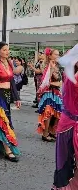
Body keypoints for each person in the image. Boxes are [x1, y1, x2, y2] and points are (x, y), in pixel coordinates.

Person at [52, 44, 78, 189]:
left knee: (65, 166)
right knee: (65, 166)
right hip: (70, 126)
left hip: (67, 123)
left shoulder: (69, 74)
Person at [37, 48, 62, 142]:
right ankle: (45, 133)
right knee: (49, 113)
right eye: (55, 54)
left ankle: (52, 131)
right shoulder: (47, 66)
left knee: (57, 112)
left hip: (56, 92)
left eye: (58, 54)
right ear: (50, 55)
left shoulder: (56, 65)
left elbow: (59, 79)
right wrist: (51, 69)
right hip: (49, 92)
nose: (57, 56)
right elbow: (45, 81)